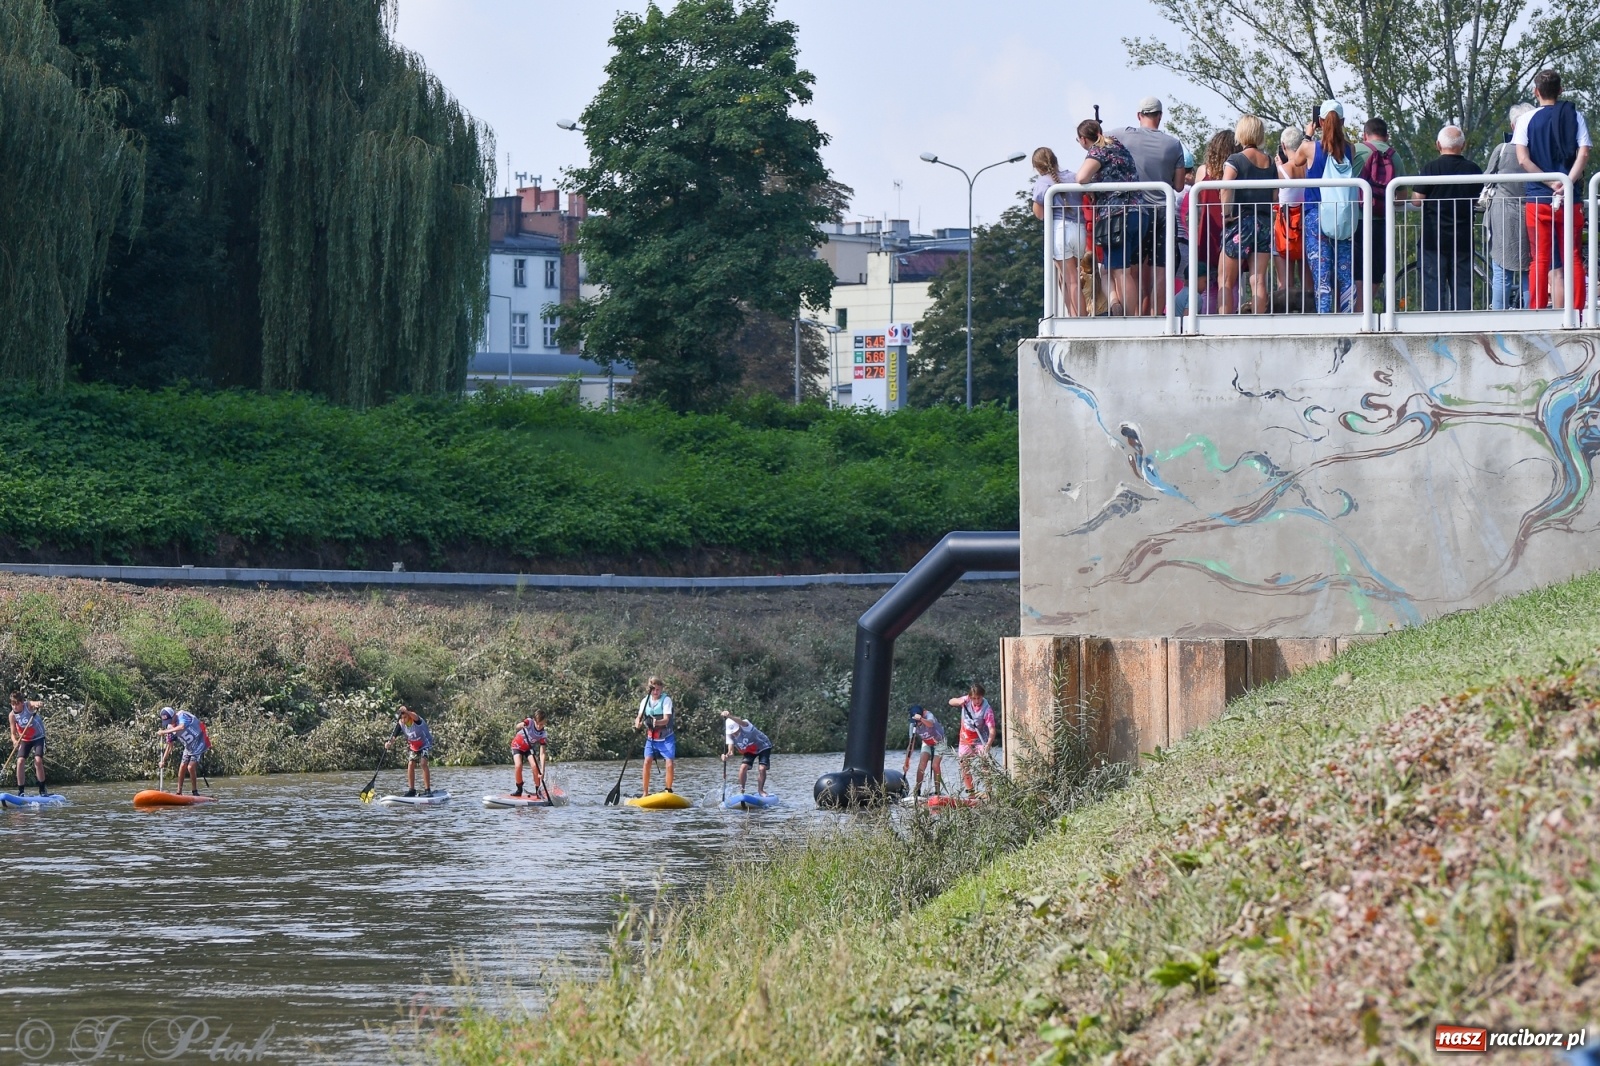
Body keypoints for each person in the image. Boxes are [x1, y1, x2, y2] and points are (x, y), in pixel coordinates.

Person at [1514, 69, 1590, 310]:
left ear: (1536, 92)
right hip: (1570, 199)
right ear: (1560, 90)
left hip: (1538, 199)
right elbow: (1584, 153)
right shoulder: (1575, 116)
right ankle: (1576, 312)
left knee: (1540, 259)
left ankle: (1536, 311)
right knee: (1573, 257)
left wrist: (1550, 183)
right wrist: (1566, 182)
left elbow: (1523, 159)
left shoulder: (1526, 120)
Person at [1118, 96, 1186, 314]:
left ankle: (1137, 316)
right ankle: (1157, 317)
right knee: (1161, 269)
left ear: (1139, 116)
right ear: (1160, 116)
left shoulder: (1123, 135)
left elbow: (1096, 139)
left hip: (1136, 212)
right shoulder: (1174, 144)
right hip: (1163, 213)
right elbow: (1178, 185)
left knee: (1135, 269)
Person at [1290, 101, 1359, 313]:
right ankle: (1349, 318)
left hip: (1316, 216)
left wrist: (1308, 135)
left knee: (1322, 275)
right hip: (1343, 216)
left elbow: (1295, 162)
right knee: (1345, 272)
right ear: (1343, 122)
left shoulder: (1310, 148)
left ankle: (1325, 320)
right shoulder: (1350, 149)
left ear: (1320, 121)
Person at [1075, 119, 1142, 317]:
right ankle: (1121, 309)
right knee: (1119, 269)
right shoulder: (1118, 146)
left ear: (1083, 139)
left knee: (1121, 272)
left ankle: (1129, 319)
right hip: (1137, 212)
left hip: (1116, 217)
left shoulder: (1098, 151)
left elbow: (1081, 177)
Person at [1412, 125, 1483, 311]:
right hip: (1462, 238)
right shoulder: (1473, 170)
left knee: (1433, 288)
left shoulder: (1430, 168)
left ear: (1438, 145)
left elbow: (1417, 200)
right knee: (1462, 286)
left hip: (1432, 238)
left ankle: (1435, 329)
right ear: (1463, 145)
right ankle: (1463, 329)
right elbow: (1479, 199)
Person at [1219, 115, 1275, 314]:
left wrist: (1225, 214)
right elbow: (1275, 195)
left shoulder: (1235, 160)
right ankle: (1258, 322)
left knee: (1225, 278)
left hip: (1241, 222)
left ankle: (1224, 324)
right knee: (1258, 278)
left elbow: (1225, 188)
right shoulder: (1270, 162)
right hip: (1265, 222)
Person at [1484, 103, 1536, 310]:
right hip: (1531, 211)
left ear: (1513, 126)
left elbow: (1487, 179)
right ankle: (1531, 315)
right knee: (1529, 270)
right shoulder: (1537, 151)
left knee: (1501, 270)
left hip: (1503, 213)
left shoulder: (1502, 149)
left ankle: (1499, 318)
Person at [1031, 147, 1086, 317]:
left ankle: (1079, 320)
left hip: (1061, 230)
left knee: (1071, 280)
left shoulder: (1042, 182)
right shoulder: (1072, 176)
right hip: (1080, 230)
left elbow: (1039, 214)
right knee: (1071, 278)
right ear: (1055, 160)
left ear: (1037, 167)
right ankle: (1074, 315)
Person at [1187, 130, 1236, 316]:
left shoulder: (1202, 171)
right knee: (1232, 282)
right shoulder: (1234, 172)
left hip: (1208, 232)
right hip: (1231, 229)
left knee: (1209, 284)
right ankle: (1230, 318)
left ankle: (1207, 319)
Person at [1357, 118, 1398, 309]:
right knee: (1375, 270)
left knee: (1356, 268)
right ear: (1386, 135)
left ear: (1365, 135)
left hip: (1356, 220)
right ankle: (1366, 309)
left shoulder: (1356, 151)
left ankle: (1355, 312)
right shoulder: (1394, 155)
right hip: (1382, 220)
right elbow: (1402, 194)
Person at [1273, 126, 1308, 307]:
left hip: (1284, 230)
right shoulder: (1309, 169)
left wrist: (1278, 166)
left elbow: (1273, 197)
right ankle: (1311, 314)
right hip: (1305, 228)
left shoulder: (1281, 171)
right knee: (1308, 285)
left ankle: (1285, 317)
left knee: (1285, 284)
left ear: (1283, 145)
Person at [948, 683, 997, 795]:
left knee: (984, 763)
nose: (976, 701)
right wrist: (958, 702)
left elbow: (992, 730)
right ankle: (971, 792)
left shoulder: (987, 709)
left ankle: (988, 792)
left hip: (981, 738)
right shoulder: (966, 700)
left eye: (978, 698)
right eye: (974, 698)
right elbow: (951, 701)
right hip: (965, 738)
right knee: (964, 764)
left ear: (982, 696)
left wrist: (988, 745)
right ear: (970, 697)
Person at [634, 676, 675, 795]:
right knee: (647, 761)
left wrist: (657, 722)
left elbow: (666, 720)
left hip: (666, 738)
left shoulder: (666, 700)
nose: (655, 692)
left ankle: (668, 789)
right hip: (651, 738)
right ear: (649, 689)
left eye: (658, 689)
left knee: (670, 762)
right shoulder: (645, 701)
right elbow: (639, 717)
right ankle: (645, 793)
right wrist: (638, 723)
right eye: (653, 689)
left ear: (661, 689)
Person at [158, 707, 209, 796]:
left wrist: (165, 731)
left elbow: (182, 726)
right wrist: (163, 760)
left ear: (174, 715)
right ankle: (179, 792)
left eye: (170, 720)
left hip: (199, 741)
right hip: (188, 746)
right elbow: (170, 746)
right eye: (168, 722)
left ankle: (195, 792)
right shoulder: (169, 727)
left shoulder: (181, 715)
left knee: (190, 767)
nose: (170, 723)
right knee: (182, 766)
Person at [384, 706, 433, 798]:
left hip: (425, 744)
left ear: (409, 716)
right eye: (401, 718)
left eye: (405, 717)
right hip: (414, 747)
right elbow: (394, 736)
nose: (403, 720)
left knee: (423, 763)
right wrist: (389, 743)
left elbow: (414, 716)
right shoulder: (400, 723)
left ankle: (427, 790)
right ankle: (412, 790)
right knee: (410, 764)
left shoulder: (415, 720)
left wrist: (406, 711)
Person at [720, 711, 772, 797]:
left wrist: (730, 716)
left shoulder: (745, 725)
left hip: (763, 746)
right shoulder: (729, 735)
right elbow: (731, 753)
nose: (735, 733)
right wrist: (726, 756)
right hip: (749, 750)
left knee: (762, 768)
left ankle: (761, 790)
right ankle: (742, 791)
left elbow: (740, 721)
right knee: (743, 768)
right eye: (733, 732)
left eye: (736, 731)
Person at [899, 705, 945, 800]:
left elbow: (930, 724)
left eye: (918, 722)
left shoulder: (928, 715)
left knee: (935, 765)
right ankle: (917, 791)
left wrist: (921, 719)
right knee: (921, 765)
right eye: (915, 722)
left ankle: (937, 792)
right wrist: (906, 762)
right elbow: (911, 744)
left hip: (940, 742)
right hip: (927, 743)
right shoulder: (913, 725)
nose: (917, 724)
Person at [9, 690, 48, 796]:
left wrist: (39, 704)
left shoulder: (28, 706)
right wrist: (15, 741)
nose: (15, 707)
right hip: (26, 740)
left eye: (17, 704)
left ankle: (42, 789)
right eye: (13, 704)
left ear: (22, 702)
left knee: (38, 760)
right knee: (20, 761)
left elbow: (35, 703)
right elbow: (13, 733)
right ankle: (21, 791)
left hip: (38, 737)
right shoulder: (12, 715)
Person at [509, 709, 548, 798]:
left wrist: (542, 770)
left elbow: (542, 754)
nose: (539, 726)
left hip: (528, 748)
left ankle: (538, 791)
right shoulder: (529, 722)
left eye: (541, 724)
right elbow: (517, 726)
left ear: (545, 722)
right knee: (518, 766)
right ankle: (519, 789)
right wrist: (522, 725)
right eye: (537, 723)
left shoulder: (543, 734)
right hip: (517, 746)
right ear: (534, 720)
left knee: (535, 767)